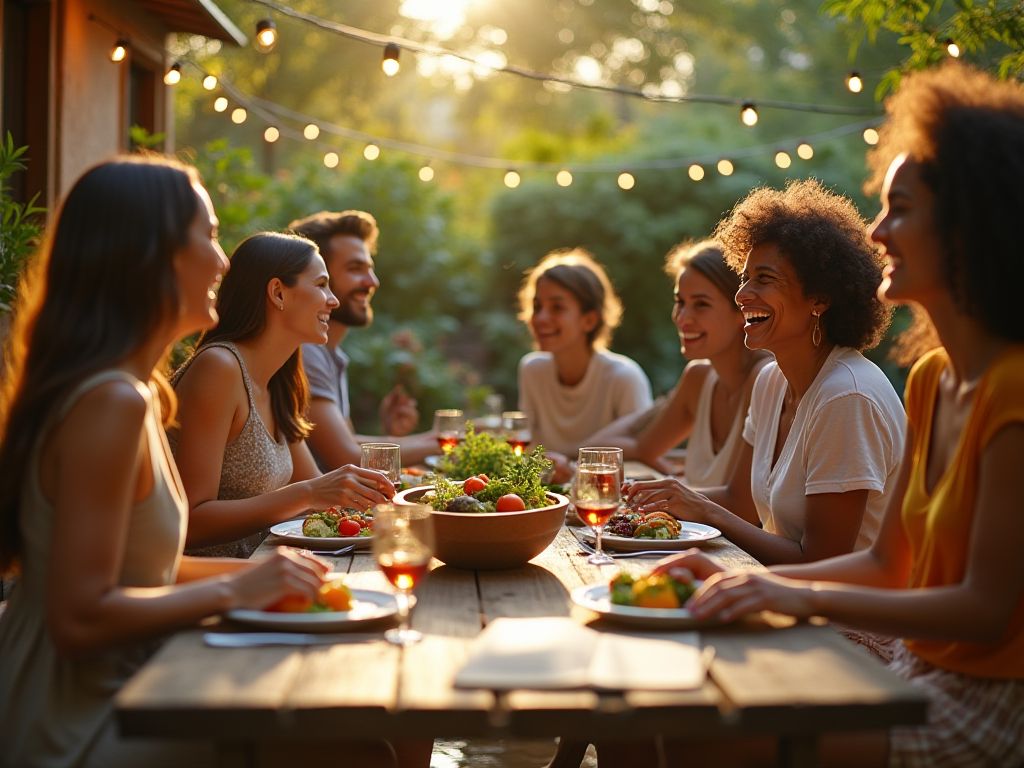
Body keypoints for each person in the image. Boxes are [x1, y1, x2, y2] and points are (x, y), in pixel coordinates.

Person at [653, 62, 1024, 767]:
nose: (879, 231)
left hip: (988, 708)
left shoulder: (1012, 388)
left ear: (967, 224)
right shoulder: (935, 379)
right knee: (673, 700)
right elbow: (889, 564)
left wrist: (788, 595)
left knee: (703, 726)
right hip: (923, 673)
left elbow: (984, 609)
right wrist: (748, 582)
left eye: (902, 209)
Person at [0, 157, 331, 767]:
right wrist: (239, 586)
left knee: (365, 741)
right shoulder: (110, 401)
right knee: (352, 747)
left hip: (128, 684)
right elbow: (78, 616)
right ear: (151, 254)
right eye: (206, 235)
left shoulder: (136, 392)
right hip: (73, 721)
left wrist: (292, 576)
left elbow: (142, 571)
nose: (223, 260)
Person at [626, 180, 905, 566]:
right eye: (744, 278)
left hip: (846, 621)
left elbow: (821, 563)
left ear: (819, 299)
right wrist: (662, 497)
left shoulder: (847, 396)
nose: (742, 294)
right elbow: (740, 503)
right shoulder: (771, 381)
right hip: (786, 596)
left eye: (764, 279)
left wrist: (704, 511)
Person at [171, 232, 393, 559]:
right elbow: (189, 521)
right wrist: (307, 494)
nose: (333, 300)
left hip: (266, 575)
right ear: (278, 293)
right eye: (321, 285)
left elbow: (323, 497)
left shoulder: (279, 381)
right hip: (212, 592)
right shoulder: (219, 368)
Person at [586, 240, 770, 483]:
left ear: (742, 310)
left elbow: (744, 508)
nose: (682, 318)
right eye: (680, 302)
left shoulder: (764, 378)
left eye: (701, 304)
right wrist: (657, 408)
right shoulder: (699, 378)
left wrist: (669, 493)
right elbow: (610, 449)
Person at [287, 210, 437, 470]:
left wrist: (393, 435)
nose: (372, 282)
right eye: (356, 269)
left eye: (370, 269)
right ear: (319, 276)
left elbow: (345, 444)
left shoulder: (330, 354)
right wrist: (450, 441)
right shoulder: (306, 351)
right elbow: (346, 458)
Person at [517, 248, 653, 458]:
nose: (541, 318)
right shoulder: (531, 370)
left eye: (557, 308)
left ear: (589, 320)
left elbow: (644, 457)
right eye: (537, 306)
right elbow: (528, 452)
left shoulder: (624, 377)